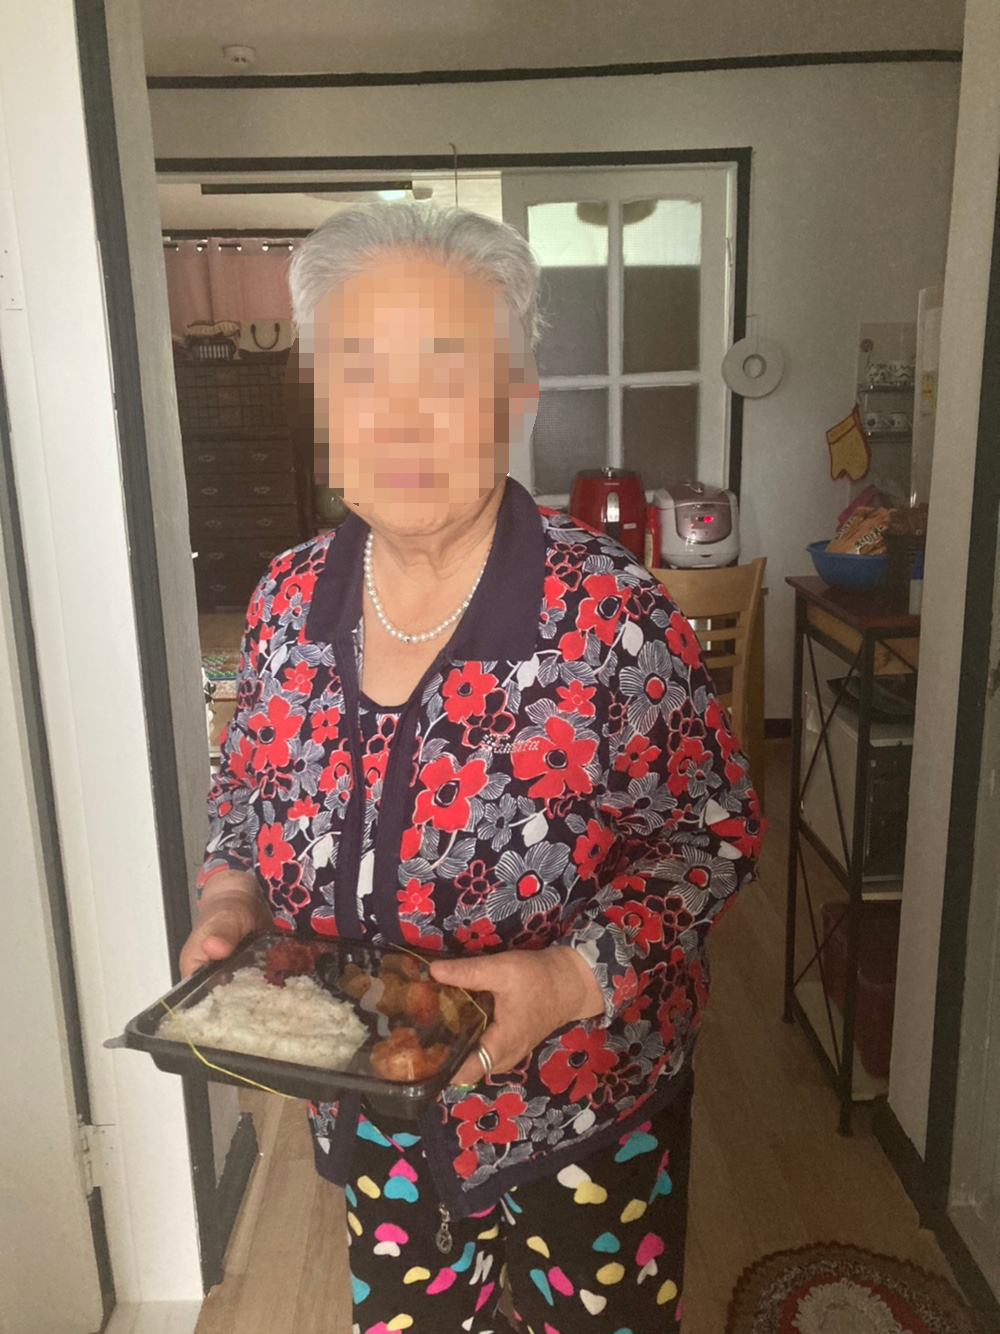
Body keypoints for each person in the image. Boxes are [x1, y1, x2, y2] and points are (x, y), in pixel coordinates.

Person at [179, 202, 763, 1334]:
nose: (400, 416)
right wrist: (230, 898)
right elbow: (246, 789)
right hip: (375, 1099)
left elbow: (713, 835)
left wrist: (572, 978)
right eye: (360, 372)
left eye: (445, 371)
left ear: (515, 397)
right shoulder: (288, 598)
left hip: (582, 1105)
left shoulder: (612, 615)